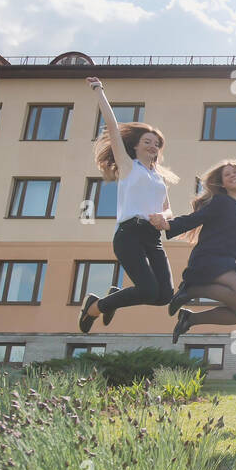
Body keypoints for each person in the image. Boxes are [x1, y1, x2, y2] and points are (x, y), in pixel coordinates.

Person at [78, 76, 179, 333]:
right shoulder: (128, 166)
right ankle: (95, 307)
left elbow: (168, 208)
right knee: (147, 289)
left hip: (153, 236)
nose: (153, 146)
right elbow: (112, 127)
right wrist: (99, 90)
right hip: (129, 234)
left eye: (156, 144)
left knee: (164, 295)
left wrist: (162, 216)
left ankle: (111, 300)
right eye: (147, 141)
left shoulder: (159, 178)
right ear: (135, 146)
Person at [164, 159, 236, 344]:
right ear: (222, 183)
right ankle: (189, 290)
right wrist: (168, 225)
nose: (233, 175)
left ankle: (190, 319)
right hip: (208, 258)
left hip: (228, 261)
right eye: (228, 174)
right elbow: (195, 218)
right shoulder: (221, 201)